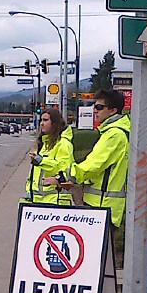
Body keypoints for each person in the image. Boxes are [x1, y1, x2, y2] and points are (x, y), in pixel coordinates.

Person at [52, 89, 130, 230]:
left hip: (102, 207)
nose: (95, 110)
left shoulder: (114, 135)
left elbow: (93, 165)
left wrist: (63, 177)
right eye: (94, 106)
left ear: (113, 111)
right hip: (101, 206)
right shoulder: (112, 132)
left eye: (99, 107)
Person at [21, 108, 74, 206]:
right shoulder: (44, 143)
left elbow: (66, 169)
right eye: (41, 120)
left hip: (55, 201)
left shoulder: (63, 144)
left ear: (54, 123)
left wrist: (41, 161)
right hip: (38, 200)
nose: (41, 123)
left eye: (45, 120)